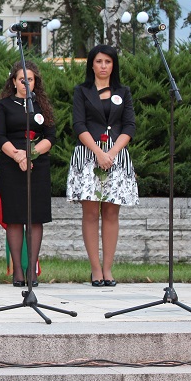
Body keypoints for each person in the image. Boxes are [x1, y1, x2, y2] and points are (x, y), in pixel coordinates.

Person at [66, 44, 138, 287]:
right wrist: (98, 152)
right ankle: (95, 270)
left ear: (113, 65)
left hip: (116, 156)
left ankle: (108, 270)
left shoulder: (123, 91)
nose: (103, 66)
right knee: (90, 213)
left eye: (108, 62)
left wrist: (113, 152)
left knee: (110, 213)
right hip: (89, 155)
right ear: (91, 65)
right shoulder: (82, 91)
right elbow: (78, 124)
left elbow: (129, 126)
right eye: (99, 62)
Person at [0, 61, 56, 287]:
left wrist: (32, 155)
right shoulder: (4, 106)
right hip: (11, 164)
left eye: (30, 79)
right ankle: (18, 270)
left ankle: (32, 271)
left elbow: (50, 136)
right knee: (15, 218)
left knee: (35, 217)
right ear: (13, 82)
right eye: (22, 79)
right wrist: (19, 156)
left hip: (38, 164)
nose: (26, 83)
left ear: (35, 82)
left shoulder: (42, 106)